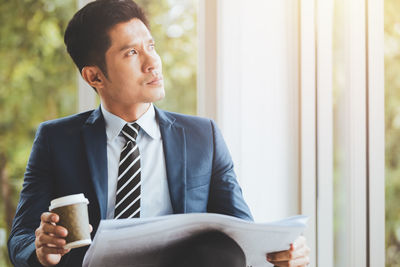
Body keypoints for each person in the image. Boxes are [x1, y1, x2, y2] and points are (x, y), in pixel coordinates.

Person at [7, 0, 310, 266]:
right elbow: (20, 238)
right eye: (131, 53)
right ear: (94, 75)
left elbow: (241, 233)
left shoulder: (204, 137)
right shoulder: (56, 140)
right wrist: (41, 249)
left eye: (151, 46)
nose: (152, 63)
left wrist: (283, 252)